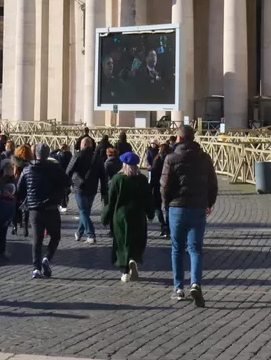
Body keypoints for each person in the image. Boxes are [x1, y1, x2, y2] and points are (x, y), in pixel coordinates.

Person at [162, 125, 217, 307]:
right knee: (195, 249)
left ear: (178, 139)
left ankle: (178, 288)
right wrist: (208, 203)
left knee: (177, 249)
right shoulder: (204, 158)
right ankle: (196, 283)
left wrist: (166, 204)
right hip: (198, 208)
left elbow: (165, 186)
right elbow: (213, 184)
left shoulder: (171, 158)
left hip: (176, 208)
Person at [16, 143, 68, 279]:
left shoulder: (27, 169)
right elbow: (67, 182)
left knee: (37, 239)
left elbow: (19, 189)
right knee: (55, 237)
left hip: (34, 209)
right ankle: (47, 258)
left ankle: (36, 268)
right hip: (51, 208)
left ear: (35, 154)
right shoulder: (55, 168)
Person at [101, 151, 151, 282]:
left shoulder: (118, 179)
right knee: (136, 240)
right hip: (139, 215)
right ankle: (133, 259)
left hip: (121, 216)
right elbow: (148, 199)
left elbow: (111, 201)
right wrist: (150, 213)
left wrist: (105, 217)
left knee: (122, 242)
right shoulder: (143, 180)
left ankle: (125, 272)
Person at [65, 136, 100, 244]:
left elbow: (68, 171)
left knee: (83, 212)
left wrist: (66, 185)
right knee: (85, 212)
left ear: (83, 145)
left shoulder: (78, 155)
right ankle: (79, 233)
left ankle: (90, 234)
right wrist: (104, 191)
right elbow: (103, 174)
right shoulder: (97, 157)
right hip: (93, 188)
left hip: (79, 187)